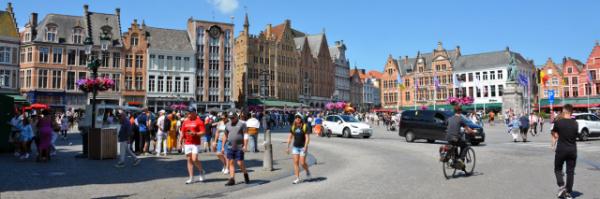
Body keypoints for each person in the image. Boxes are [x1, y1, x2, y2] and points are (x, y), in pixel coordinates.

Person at [551, 104, 578, 199]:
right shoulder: (575, 123)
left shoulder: (559, 122)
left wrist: (553, 144)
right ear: (571, 112)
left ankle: (562, 186)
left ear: (564, 111)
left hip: (561, 149)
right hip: (572, 150)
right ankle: (568, 191)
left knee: (557, 169)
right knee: (570, 171)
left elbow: (555, 134)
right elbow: (575, 135)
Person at [180, 108, 206, 184]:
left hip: (195, 143)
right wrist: (180, 141)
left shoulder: (199, 121)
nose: (188, 114)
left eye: (190, 113)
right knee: (189, 160)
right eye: (188, 113)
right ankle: (191, 178)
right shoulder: (185, 122)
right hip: (187, 143)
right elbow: (182, 132)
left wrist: (195, 134)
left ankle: (201, 171)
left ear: (194, 113)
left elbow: (203, 132)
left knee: (194, 159)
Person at [223, 112, 250, 186]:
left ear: (236, 117)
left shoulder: (242, 124)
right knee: (231, 162)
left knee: (239, 163)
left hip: (239, 146)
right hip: (230, 146)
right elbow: (225, 135)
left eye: (232, 118)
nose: (231, 119)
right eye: (230, 118)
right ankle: (232, 179)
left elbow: (245, 135)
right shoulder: (227, 125)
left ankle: (245, 173)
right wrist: (223, 146)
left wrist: (245, 146)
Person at [445, 105, 475, 171]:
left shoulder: (449, 118)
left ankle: (455, 161)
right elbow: (467, 128)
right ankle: (460, 160)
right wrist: (472, 132)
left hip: (448, 138)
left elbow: (447, 124)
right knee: (465, 145)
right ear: (460, 111)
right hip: (455, 138)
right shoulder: (460, 119)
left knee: (454, 146)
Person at [286, 115, 312, 184]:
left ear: (301, 119)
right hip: (295, 147)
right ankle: (297, 178)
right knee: (296, 162)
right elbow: (290, 137)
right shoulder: (293, 127)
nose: (297, 119)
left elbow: (307, 138)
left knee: (302, 163)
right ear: (294, 119)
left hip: (302, 147)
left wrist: (306, 146)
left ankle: (307, 170)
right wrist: (287, 147)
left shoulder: (304, 126)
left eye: (299, 118)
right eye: (296, 118)